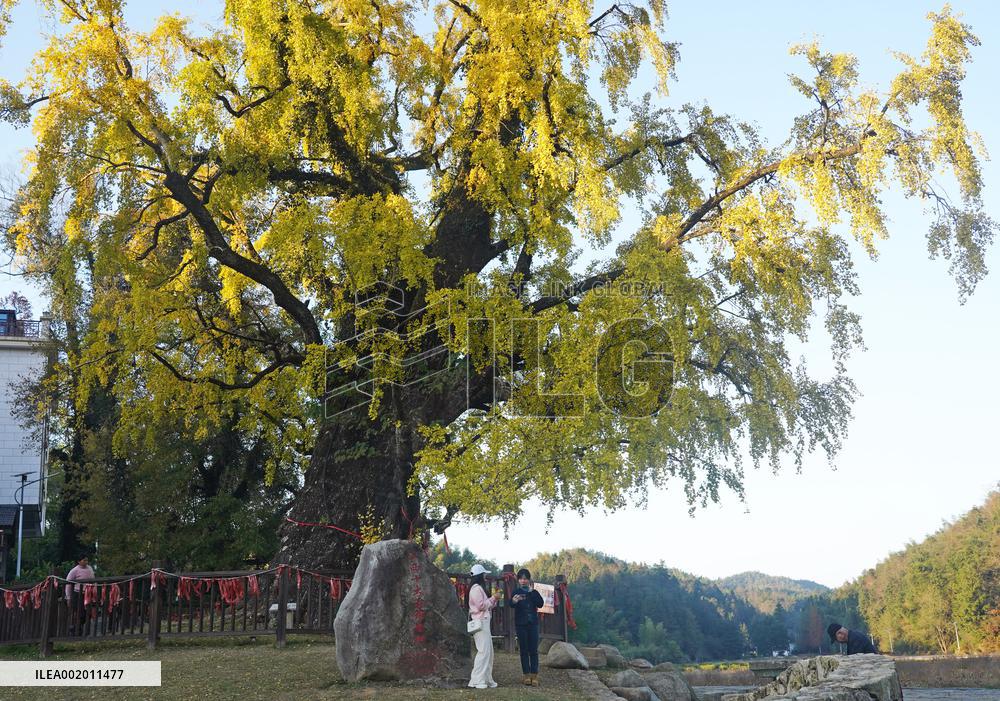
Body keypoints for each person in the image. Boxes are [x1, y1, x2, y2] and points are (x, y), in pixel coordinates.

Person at [508, 567, 544, 686]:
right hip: (521, 624)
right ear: (518, 580)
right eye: (521, 579)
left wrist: (531, 592)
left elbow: (540, 603)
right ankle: (526, 675)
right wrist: (514, 601)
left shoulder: (533, 592)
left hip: (533, 624)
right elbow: (511, 605)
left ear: (529, 580)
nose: (523, 581)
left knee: (533, 650)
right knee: (523, 650)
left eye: (525, 579)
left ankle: (535, 675)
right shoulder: (516, 592)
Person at [468, 563, 502, 689]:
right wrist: (493, 598)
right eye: (483, 574)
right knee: (483, 652)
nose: (485, 576)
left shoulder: (477, 588)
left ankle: (487, 679)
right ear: (479, 575)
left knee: (488, 652)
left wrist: (494, 599)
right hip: (481, 622)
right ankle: (476, 680)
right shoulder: (476, 589)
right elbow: (481, 606)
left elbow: (485, 606)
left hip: (483, 622)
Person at [65, 556, 95, 635]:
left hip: (88, 593)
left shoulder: (90, 568)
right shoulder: (74, 570)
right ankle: (76, 629)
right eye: (84, 560)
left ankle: (76, 627)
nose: (86, 562)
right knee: (80, 612)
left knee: (88, 613)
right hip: (78, 594)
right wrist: (68, 597)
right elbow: (68, 584)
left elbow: (93, 579)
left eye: (87, 560)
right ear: (79, 561)